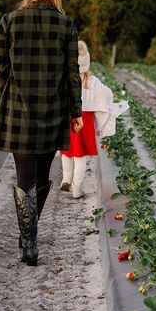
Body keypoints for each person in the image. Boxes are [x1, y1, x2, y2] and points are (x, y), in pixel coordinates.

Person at [0, 0, 83, 266]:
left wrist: (1, 108)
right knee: (42, 177)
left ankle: (28, 241)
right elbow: (72, 74)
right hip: (52, 110)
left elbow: (2, 73)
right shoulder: (65, 24)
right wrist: (76, 112)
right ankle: (29, 234)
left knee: (24, 176)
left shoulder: (9, 21)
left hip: (18, 111)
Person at [60, 41, 109, 199]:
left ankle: (66, 178)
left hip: (68, 117)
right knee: (80, 155)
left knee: (67, 150)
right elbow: (106, 95)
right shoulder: (93, 82)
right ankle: (77, 188)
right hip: (85, 120)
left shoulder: (65, 79)